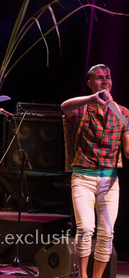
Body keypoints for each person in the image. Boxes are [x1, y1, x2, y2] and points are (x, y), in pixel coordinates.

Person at [60, 64, 129, 278]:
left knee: (107, 233)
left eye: (108, 77)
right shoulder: (82, 108)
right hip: (83, 178)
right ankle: (82, 275)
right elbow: (64, 107)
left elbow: (127, 151)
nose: (105, 80)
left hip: (109, 181)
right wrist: (93, 99)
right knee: (86, 229)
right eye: (99, 78)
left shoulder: (123, 113)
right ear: (90, 84)